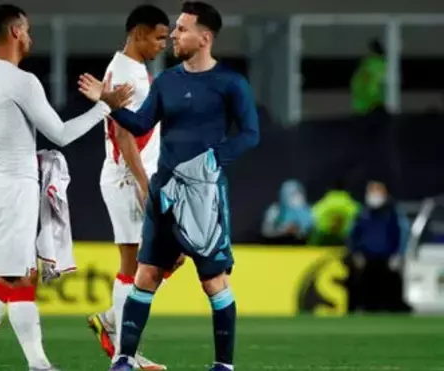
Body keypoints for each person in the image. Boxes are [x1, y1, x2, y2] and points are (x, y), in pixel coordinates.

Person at [79, 2, 259, 370]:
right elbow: (139, 125)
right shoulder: (165, 81)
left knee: (214, 282)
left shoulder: (230, 83)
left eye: (181, 29)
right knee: (144, 273)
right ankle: (124, 358)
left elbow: (251, 134)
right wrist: (108, 104)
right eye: (171, 30)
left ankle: (223, 364)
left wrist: (214, 159)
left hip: (204, 193)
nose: (174, 36)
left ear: (204, 38)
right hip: (162, 189)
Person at [0, 4, 132, 371]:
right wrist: (105, 107)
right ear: (16, 31)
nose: (31, 37)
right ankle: (30, 364)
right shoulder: (22, 80)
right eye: (29, 30)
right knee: (16, 277)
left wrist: (14, 144)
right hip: (15, 188)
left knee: (10, 277)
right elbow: (61, 134)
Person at [87, 5, 170, 371]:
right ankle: (124, 352)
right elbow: (122, 131)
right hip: (127, 178)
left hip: (134, 175)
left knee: (168, 256)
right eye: (158, 37)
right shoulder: (125, 73)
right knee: (133, 263)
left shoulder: (132, 69)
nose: (162, 45)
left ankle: (114, 325)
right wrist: (142, 182)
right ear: (138, 33)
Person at [347, 181, 410, 312]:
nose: (374, 195)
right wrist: (356, 252)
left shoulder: (393, 213)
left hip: (387, 258)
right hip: (367, 257)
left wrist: (399, 253)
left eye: (378, 191)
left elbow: (401, 233)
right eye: (372, 191)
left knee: (388, 289)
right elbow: (353, 234)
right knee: (367, 289)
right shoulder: (361, 213)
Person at [307, 180, 360, 246]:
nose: (335, 222)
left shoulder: (321, 206)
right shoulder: (353, 206)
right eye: (334, 219)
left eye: (338, 220)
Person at [261, 179, 313, 245]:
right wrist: (284, 230)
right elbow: (266, 232)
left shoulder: (309, 211)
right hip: (277, 248)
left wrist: (298, 231)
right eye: (293, 194)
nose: (296, 197)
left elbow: (312, 232)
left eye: (299, 194)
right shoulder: (276, 211)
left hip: (301, 250)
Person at [350, 38, 387, 116]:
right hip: (376, 104)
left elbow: (358, 84)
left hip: (367, 106)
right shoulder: (384, 64)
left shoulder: (368, 64)